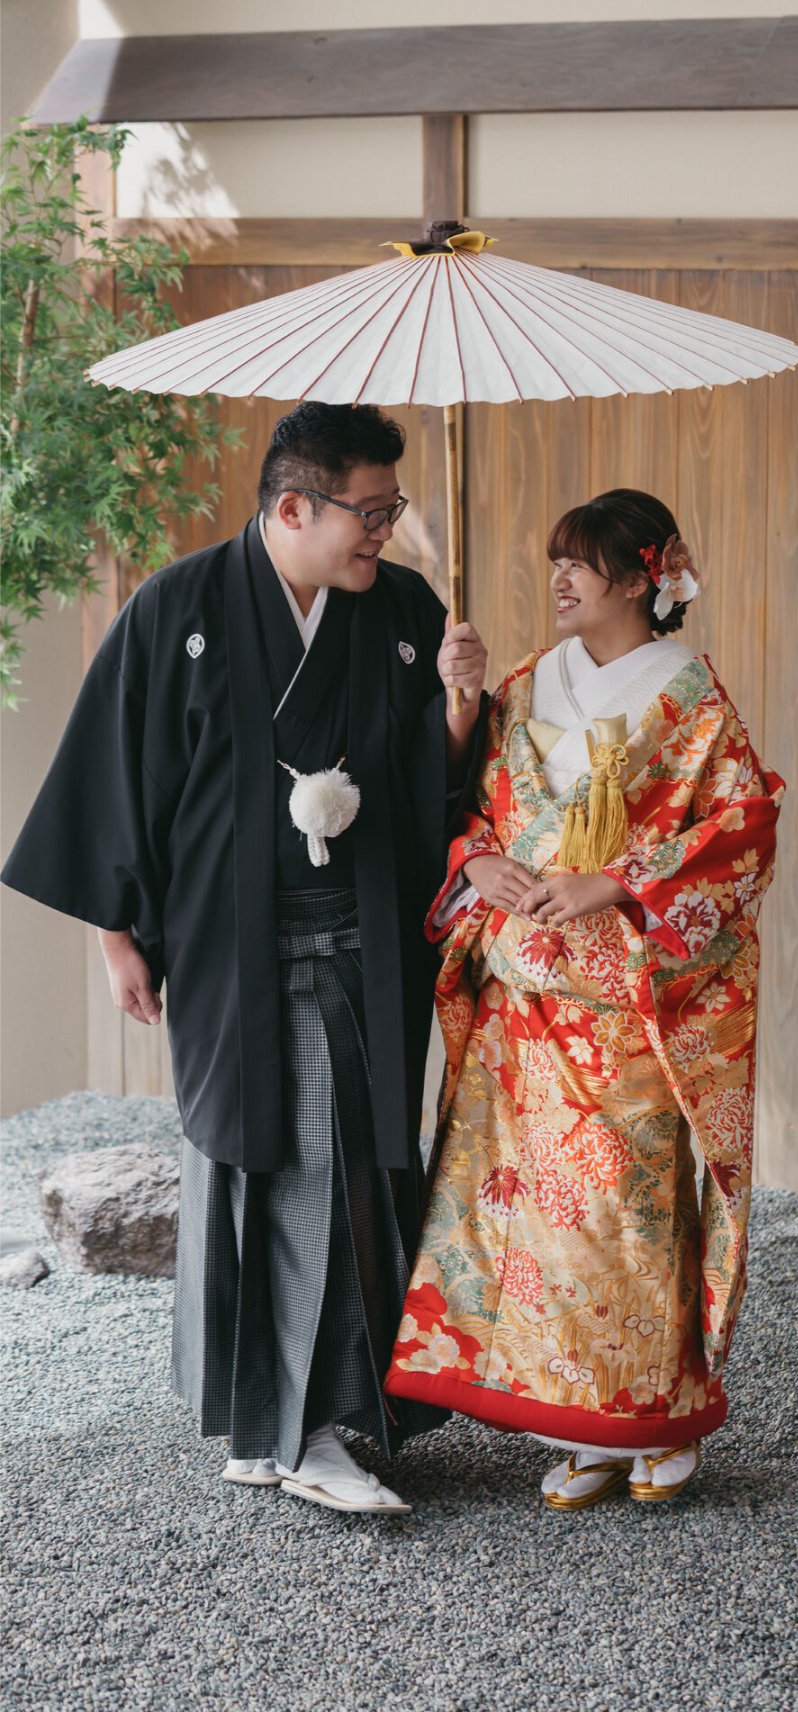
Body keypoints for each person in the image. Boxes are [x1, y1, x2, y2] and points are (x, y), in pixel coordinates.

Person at [1, 402, 488, 1515]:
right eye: (370, 513)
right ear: (294, 507)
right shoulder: (177, 607)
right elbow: (114, 777)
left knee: (344, 1162)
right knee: (272, 1162)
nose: (385, 532)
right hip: (231, 945)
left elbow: (435, 779)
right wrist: (117, 937)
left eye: (393, 510)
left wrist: (461, 705)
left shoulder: (403, 609)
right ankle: (297, 1433)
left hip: (363, 942)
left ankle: (277, 1424)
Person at [385, 488, 783, 1509]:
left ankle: (657, 1411)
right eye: (557, 559)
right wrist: (474, 838)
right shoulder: (522, 682)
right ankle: (578, 1418)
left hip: (623, 1001)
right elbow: (468, 808)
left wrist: (616, 882)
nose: (559, 578)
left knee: (623, 1214)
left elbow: (742, 829)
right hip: (521, 997)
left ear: (645, 576)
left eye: (582, 562)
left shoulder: (691, 700)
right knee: (527, 1219)